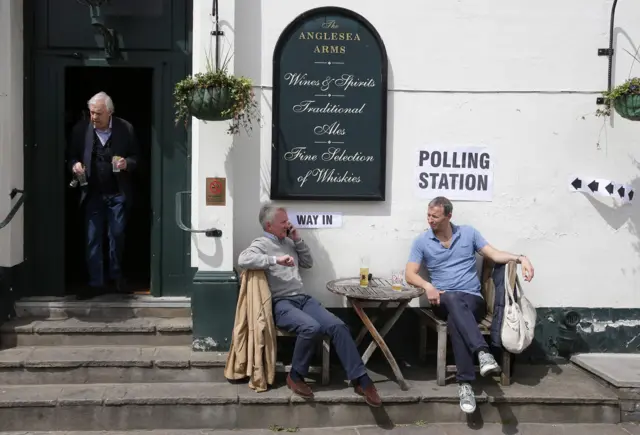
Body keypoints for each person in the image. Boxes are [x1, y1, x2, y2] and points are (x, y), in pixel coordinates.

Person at [238, 203, 382, 407]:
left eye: (287, 220)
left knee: (338, 326)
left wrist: (297, 240)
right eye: (283, 222)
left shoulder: (289, 242)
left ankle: (361, 380)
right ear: (269, 226)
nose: (287, 224)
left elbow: (307, 263)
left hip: (303, 298)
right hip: (281, 302)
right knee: (310, 327)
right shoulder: (261, 243)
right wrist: (275, 260)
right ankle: (295, 376)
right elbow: (243, 259)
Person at [405, 196, 535, 414]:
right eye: (428, 215)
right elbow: (409, 273)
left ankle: (465, 385)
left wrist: (522, 258)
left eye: (435, 216)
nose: (430, 220)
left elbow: (494, 254)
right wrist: (428, 286)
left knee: (457, 320)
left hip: (473, 300)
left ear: (448, 216)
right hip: (443, 299)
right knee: (453, 300)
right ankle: (482, 353)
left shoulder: (468, 233)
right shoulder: (422, 241)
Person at [67, 92, 139, 299]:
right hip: (92, 194)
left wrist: (127, 163)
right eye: (91, 113)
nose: (94, 117)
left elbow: (137, 157)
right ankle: (96, 283)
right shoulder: (81, 130)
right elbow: (70, 155)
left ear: (110, 112)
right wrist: (75, 165)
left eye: (98, 113)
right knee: (92, 239)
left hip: (117, 194)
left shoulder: (126, 129)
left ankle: (117, 280)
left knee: (117, 236)